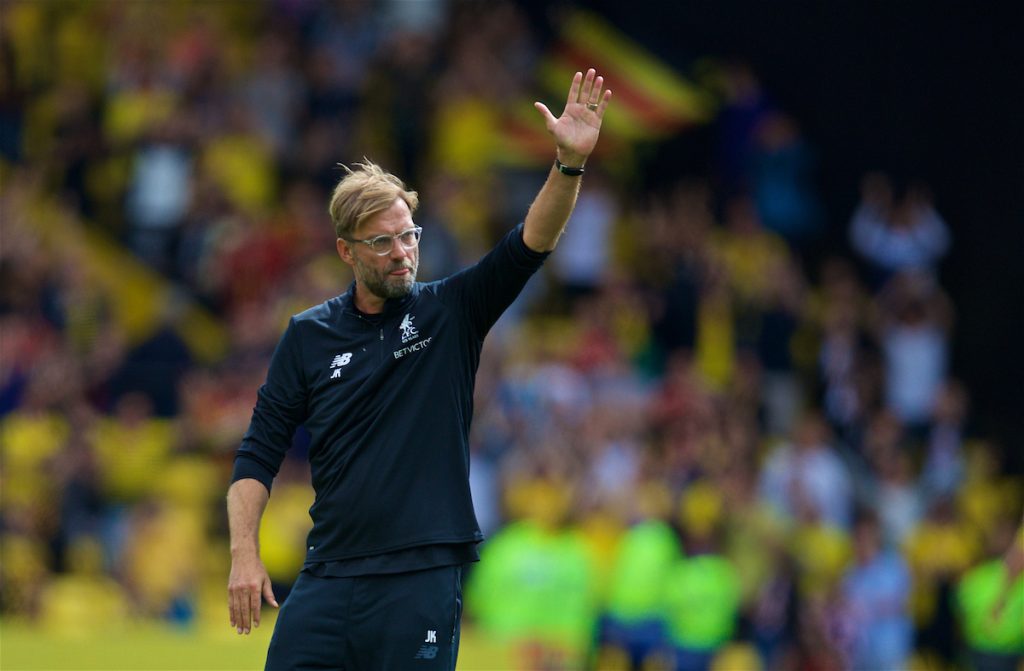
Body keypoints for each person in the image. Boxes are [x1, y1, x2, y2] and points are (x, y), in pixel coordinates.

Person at [225, 69, 612, 670]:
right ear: (346, 252)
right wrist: (243, 554)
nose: (402, 252)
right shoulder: (307, 335)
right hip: (328, 573)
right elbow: (258, 453)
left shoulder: (451, 311)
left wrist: (567, 165)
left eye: (408, 235)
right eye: (382, 243)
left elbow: (531, 243)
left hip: (420, 576)